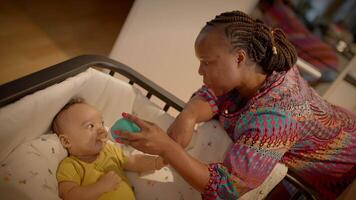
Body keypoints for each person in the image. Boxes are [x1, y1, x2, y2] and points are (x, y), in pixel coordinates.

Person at [116, 10, 356, 200]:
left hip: (341, 174)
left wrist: (168, 148)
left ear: (239, 58)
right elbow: (216, 93)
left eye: (207, 62)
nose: (200, 71)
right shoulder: (261, 64)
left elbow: (226, 189)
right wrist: (188, 115)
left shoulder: (278, 118)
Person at [52, 98, 165, 200]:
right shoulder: (71, 165)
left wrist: (157, 162)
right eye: (90, 126)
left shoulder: (110, 150)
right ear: (66, 141)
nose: (102, 130)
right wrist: (100, 187)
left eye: (101, 123)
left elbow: (133, 161)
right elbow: (69, 195)